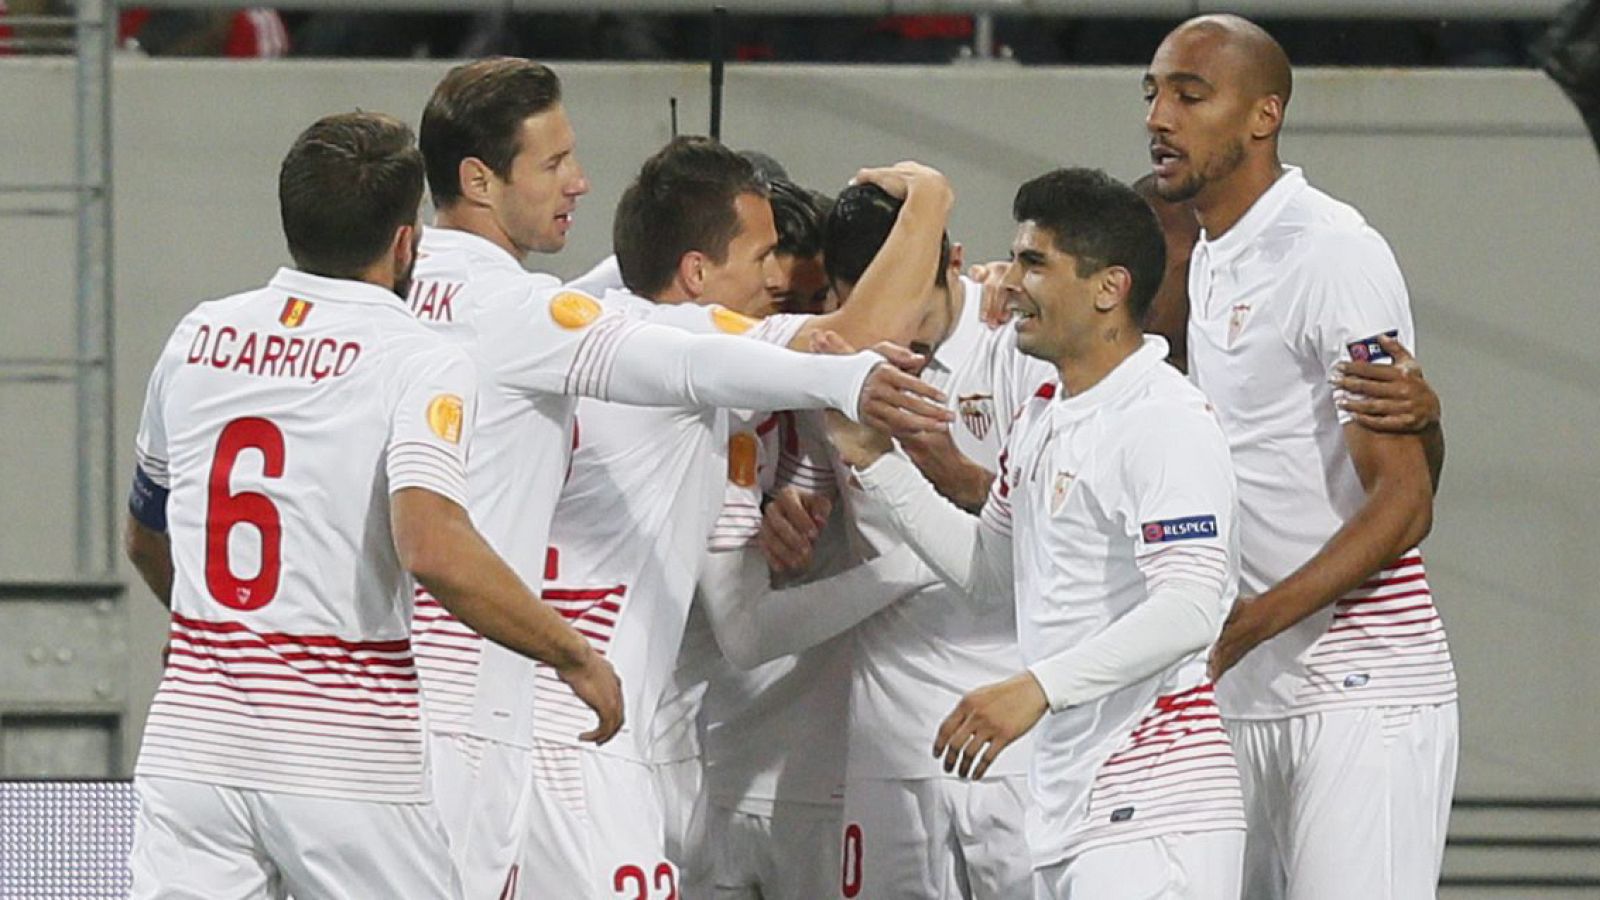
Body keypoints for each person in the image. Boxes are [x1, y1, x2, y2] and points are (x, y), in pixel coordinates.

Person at [397, 60, 954, 890]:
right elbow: (852, 340)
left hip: (434, 711)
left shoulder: (438, 298)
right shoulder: (594, 325)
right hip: (577, 732)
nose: (776, 287)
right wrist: (932, 201)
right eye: (553, 164)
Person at [120, 111, 622, 900]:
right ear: (404, 240)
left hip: (195, 745)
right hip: (344, 752)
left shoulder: (198, 336)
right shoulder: (420, 359)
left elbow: (146, 534)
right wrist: (574, 653)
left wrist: (213, 633)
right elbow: (430, 543)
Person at [832, 167, 1247, 898]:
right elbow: (990, 571)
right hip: (1070, 807)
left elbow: (1191, 608)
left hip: (1158, 809)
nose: (1009, 282)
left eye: (1034, 263)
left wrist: (1037, 689)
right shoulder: (1047, 413)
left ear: (1108, 287)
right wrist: (875, 460)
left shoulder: (1163, 419)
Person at [1144, 15, 1457, 898]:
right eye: (1154, 93)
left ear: (1263, 115)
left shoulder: (1332, 252)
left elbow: (1403, 503)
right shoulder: (1209, 257)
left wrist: (1247, 622)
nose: (1160, 116)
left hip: (1359, 690)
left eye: (1190, 95)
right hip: (1251, 691)